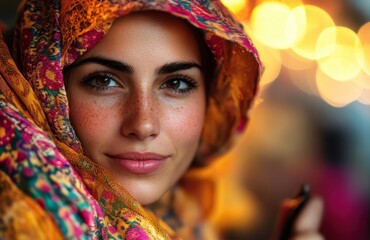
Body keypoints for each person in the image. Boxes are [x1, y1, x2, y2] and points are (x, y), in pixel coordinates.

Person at [0, 0, 323, 239]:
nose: (143, 125)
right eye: (104, 81)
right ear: (45, 90)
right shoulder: (21, 222)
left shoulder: (186, 218)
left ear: (211, 101)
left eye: (176, 84)